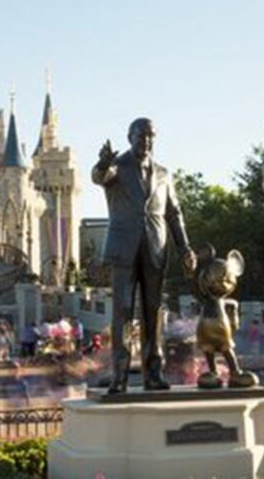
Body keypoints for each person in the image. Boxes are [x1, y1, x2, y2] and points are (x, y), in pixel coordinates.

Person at [91, 118, 195, 393]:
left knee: (154, 313)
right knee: (123, 313)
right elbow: (100, 177)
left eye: (150, 136)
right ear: (130, 137)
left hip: (155, 248)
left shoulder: (163, 174)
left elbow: (174, 213)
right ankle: (120, 376)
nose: (146, 140)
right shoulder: (117, 167)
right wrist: (103, 163)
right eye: (141, 135)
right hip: (123, 250)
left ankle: (153, 374)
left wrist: (184, 247)